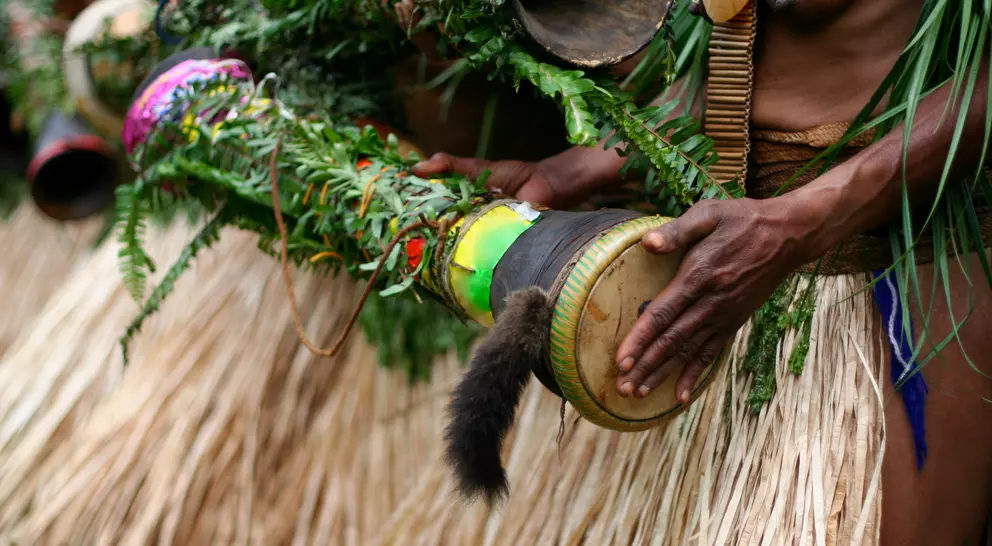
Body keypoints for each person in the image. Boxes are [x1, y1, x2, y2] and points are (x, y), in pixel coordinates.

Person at [413, 1, 992, 544]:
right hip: (747, 295)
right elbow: (745, 53)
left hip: (907, 302)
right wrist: (576, 169)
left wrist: (799, 222)